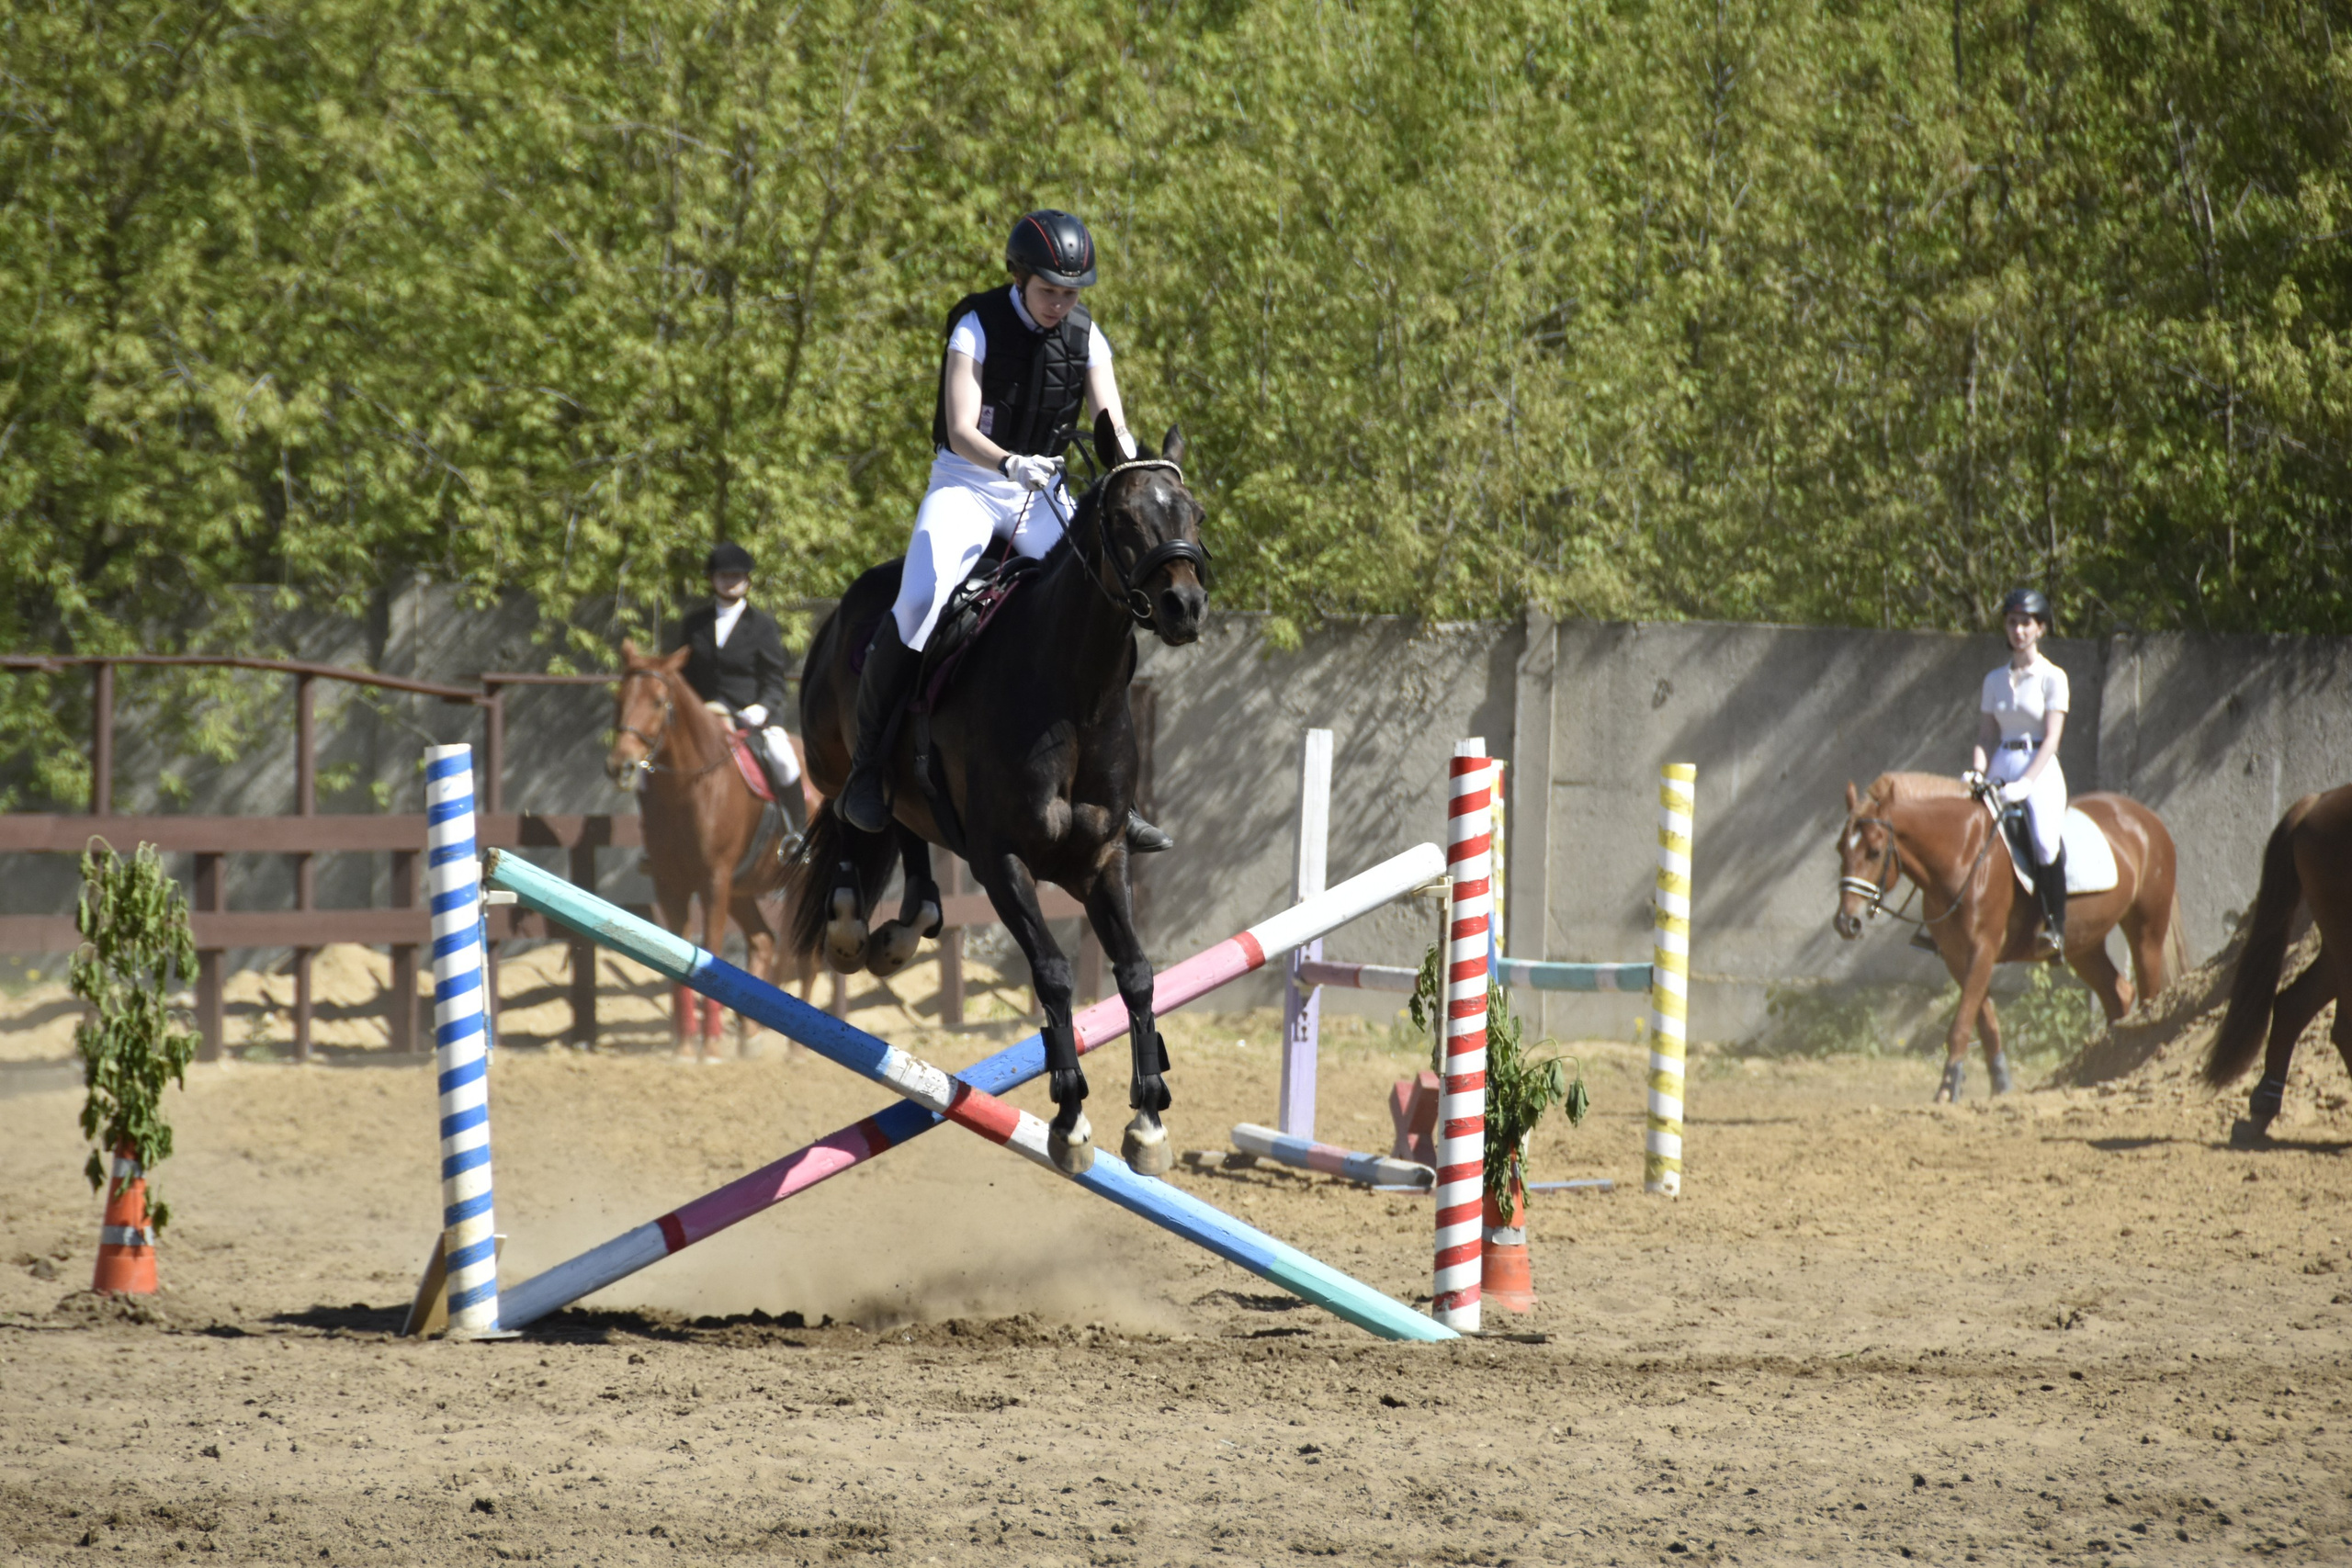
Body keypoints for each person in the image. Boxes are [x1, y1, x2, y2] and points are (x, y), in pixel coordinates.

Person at [835, 209, 1174, 855]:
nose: (1061, 303)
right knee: (918, 599)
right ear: (1019, 276)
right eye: (1050, 289)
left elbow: (1113, 424)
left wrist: (1134, 464)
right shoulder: (975, 325)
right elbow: (963, 427)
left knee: (1100, 607)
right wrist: (1008, 461)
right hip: (968, 483)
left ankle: (1113, 793)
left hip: (1043, 490)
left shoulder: (1086, 336)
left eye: (1071, 292)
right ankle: (869, 768)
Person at [1963, 587, 2069, 958]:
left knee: (2043, 840)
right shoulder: (1993, 680)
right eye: (2012, 623)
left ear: (2040, 628)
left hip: (2038, 766)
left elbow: (2052, 739)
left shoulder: (2052, 677)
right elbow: (1986, 734)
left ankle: (2055, 926)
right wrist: (1978, 772)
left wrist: (2026, 783)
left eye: (2026, 623)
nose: (2018, 630)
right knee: (1969, 833)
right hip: (2000, 762)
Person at [673, 542, 804, 825]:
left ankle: (798, 832)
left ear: (747, 580)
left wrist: (762, 708)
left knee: (783, 759)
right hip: (703, 718)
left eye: (736, 576)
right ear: (711, 580)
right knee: (652, 764)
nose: (730, 582)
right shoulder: (695, 624)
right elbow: (684, 676)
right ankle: (654, 842)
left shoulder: (762, 625)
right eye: (723, 576)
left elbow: (774, 679)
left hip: (751, 718)